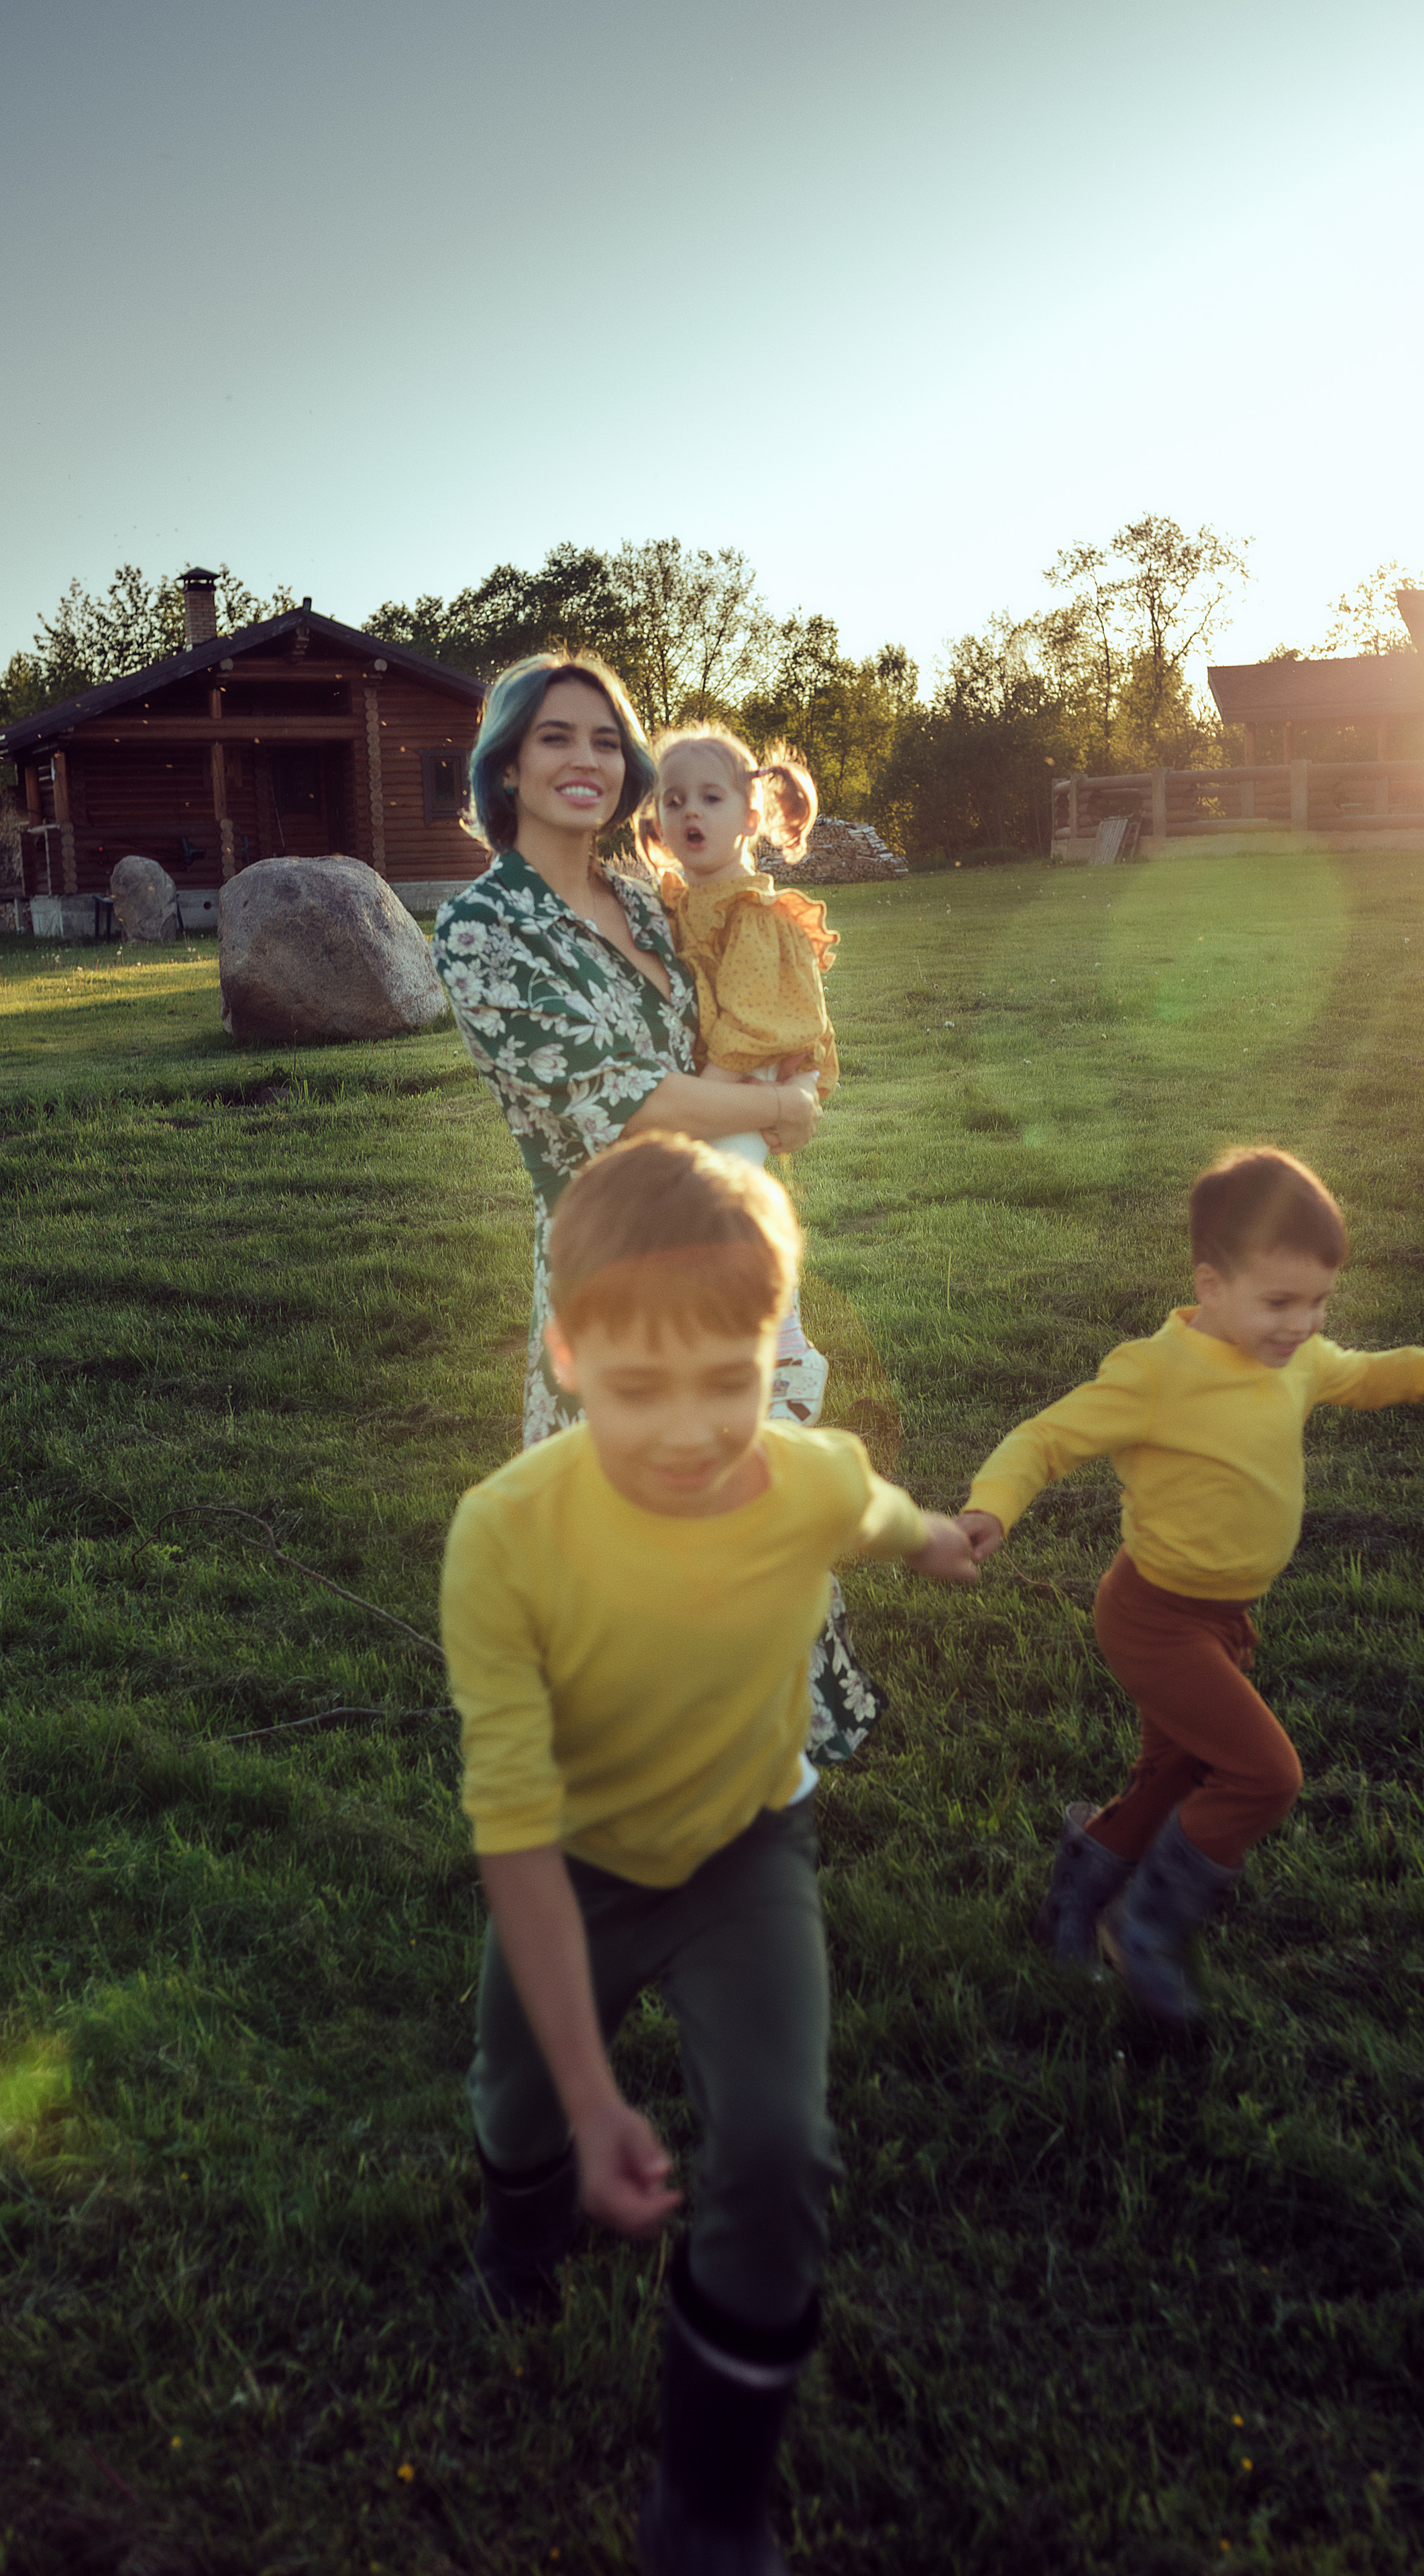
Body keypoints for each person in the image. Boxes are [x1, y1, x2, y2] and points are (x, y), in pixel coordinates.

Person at [440, 1134, 979, 2573]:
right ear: (563, 1356)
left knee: (779, 2147)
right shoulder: (504, 1538)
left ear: (774, 1355)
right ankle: (517, 2240)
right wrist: (591, 2085)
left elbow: (872, 1514)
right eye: (635, 1390)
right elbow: (511, 1830)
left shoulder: (805, 1478)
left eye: (727, 1384)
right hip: (573, 1868)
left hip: (749, 1856)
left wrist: (933, 1542)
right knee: (519, 2109)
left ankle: (711, 2501)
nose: (687, 1430)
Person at [431, 653, 881, 1762]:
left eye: (601, 740)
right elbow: (612, 1101)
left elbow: (744, 1020)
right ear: (506, 765)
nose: (584, 760)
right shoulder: (484, 926)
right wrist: (771, 1110)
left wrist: (791, 1082)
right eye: (554, 738)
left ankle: (782, 1723)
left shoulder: (648, 898)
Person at [956, 1147, 1424, 2028]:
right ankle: (1147, 1930)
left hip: (1221, 1618)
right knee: (1261, 1775)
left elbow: (1359, 1373)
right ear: (1209, 1284)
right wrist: (992, 1509)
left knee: (1172, 1779)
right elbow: (1044, 1439)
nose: (1303, 1324)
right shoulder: (1157, 1373)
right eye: (1279, 1302)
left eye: (1320, 1301)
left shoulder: (1297, 1358)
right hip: (1153, 1618)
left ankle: (1070, 1905)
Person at [637, 724, 838, 1427]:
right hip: (717, 1083)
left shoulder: (751, 911)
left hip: (753, 1076)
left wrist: (701, 1102)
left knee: (732, 1197)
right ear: (655, 819)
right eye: (674, 800)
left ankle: (788, 1352)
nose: (691, 812)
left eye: (711, 798)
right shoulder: (674, 903)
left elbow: (755, 1022)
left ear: (750, 816)